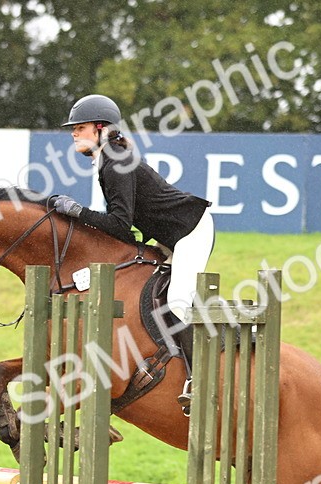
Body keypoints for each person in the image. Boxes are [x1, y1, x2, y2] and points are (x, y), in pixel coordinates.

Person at [50, 94, 214, 320]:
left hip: (190, 232)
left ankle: (205, 351)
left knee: (177, 304)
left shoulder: (115, 164)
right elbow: (122, 228)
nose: (74, 133)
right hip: (169, 236)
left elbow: (119, 224)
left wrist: (79, 212)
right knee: (147, 290)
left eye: (80, 127)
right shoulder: (108, 161)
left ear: (102, 130)